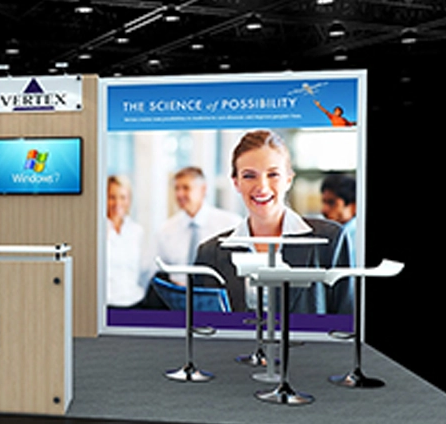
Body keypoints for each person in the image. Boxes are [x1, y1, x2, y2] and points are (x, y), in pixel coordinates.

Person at [194, 130, 352, 314]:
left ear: (288, 180)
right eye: (249, 176)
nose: (262, 187)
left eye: (273, 174)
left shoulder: (329, 240)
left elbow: (346, 320)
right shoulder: (210, 253)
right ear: (236, 183)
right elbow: (204, 325)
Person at [153, 166, 240, 286]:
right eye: (177, 188)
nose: (179, 194)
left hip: (216, 292)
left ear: (203, 189)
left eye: (186, 188)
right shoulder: (166, 230)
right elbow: (157, 270)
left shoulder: (229, 224)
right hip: (177, 293)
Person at [105, 175, 147, 307]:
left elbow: (144, 271)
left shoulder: (136, 231)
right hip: (107, 303)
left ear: (129, 200)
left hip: (134, 302)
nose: (117, 203)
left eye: (123, 197)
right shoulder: (96, 230)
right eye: (112, 197)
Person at [321, 173, 357, 265]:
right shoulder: (325, 232)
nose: (324, 209)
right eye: (324, 202)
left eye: (331, 203)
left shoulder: (358, 237)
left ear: (353, 206)